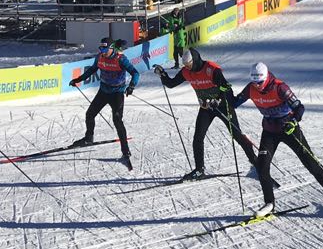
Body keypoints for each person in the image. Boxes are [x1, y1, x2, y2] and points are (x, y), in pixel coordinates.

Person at [235, 63, 323, 217]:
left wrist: (293, 122)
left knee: (310, 162)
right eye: (254, 82)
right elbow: (233, 103)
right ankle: (269, 204)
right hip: (269, 131)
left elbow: (299, 108)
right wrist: (220, 98)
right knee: (262, 166)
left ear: (266, 78)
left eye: (259, 82)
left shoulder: (280, 87)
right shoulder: (250, 88)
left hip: (288, 129)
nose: (257, 85)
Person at [155, 46, 260, 177]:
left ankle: (256, 163)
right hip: (206, 108)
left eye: (189, 64)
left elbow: (226, 88)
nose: (187, 67)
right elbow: (171, 84)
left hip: (222, 105)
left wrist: (220, 100)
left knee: (236, 134)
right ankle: (199, 170)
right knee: (198, 137)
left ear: (195, 60)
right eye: (185, 65)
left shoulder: (211, 69)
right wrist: (163, 74)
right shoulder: (186, 72)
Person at [69, 37, 138, 168]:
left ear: (112, 48)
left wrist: (131, 86)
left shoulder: (120, 59)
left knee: (117, 120)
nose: (103, 51)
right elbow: (91, 70)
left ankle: (125, 152)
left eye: (105, 49)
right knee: (89, 114)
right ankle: (88, 138)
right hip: (103, 91)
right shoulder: (100, 57)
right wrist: (78, 79)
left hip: (117, 93)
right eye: (101, 48)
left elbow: (135, 73)